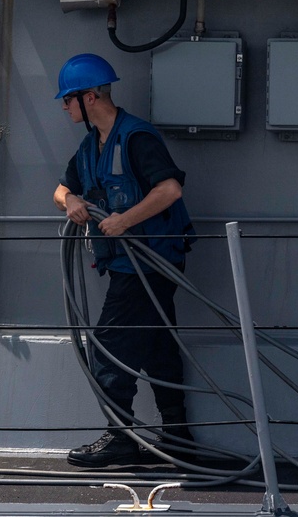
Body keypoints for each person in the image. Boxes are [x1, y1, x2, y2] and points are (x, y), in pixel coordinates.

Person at [52, 53, 197, 467]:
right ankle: (178, 435)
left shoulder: (136, 137)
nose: (64, 107)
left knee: (110, 345)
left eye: (68, 99)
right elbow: (60, 190)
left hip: (148, 263)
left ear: (90, 97)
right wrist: (72, 200)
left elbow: (169, 190)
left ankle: (120, 438)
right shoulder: (90, 145)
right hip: (125, 265)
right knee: (157, 346)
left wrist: (123, 222)